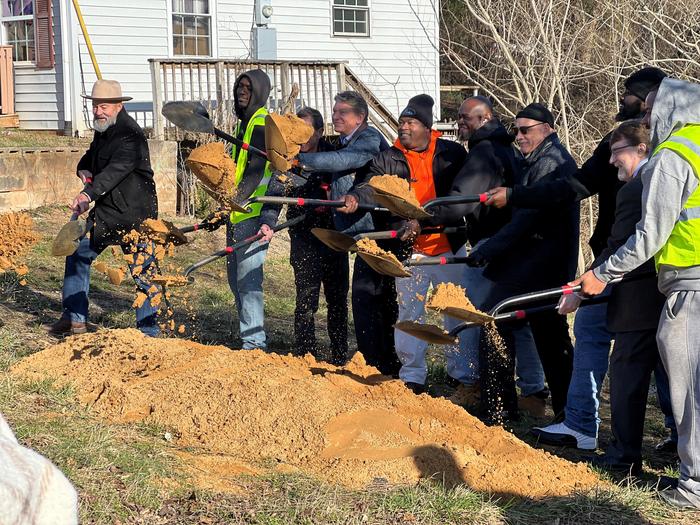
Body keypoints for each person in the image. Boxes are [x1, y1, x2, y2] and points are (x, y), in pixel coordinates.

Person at [491, 68, 668, 445]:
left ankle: (585, 426)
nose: (625, 99)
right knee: (652, 348)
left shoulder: (649, 147)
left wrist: (516, 196)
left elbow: (579, 188)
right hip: (631, 258)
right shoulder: (658, 141)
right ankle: (664, 430)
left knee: (612, 339)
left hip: (629, 259)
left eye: (632, 93)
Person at [574, 78, 700, 509]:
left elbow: (650, 235)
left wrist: (602, 274)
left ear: (671, 108)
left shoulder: (674, 154)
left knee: (688, 390)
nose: (646, 119)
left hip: (689, 283)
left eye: (650, 110)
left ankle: (693, 487)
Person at [344, 94, 467, 393]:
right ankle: (412, 375)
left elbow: (461, 196)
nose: (404, 128)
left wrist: (424, 221)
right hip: (411, 251)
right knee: (410, 312)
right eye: (401, 122)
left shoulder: (451, 154)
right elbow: (370, 185)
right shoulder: (389, 157)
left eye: (411, 122)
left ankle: (460, 373)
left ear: (427, 127)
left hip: (449, 246)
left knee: (455, 311)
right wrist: (356, 197)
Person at [467, 103, 579, 423]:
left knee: (502, 320)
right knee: (544, 334)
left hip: (545, 263)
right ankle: (562, 413)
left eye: (525, 130)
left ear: (548, 129)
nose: (519, 136)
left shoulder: (553, 162)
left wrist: (489, 250)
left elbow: (527, 218)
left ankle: (503, 410)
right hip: (534, 261)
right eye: (516, 130)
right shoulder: (535, 160)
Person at [49, 80, 159, 337]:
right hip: (108, 211)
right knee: (77, 254)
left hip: (135, 214)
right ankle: (75, 319)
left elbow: (115, 171)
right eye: (96, 105)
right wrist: (82, 168)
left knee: (143, 270)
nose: (98, 111)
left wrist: (88, 194)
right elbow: (91, 156)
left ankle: (149, 332)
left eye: (104, 106)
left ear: (119, 106)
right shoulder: (103, 129)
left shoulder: (131, 135)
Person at [297, 91, 394, 374]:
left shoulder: (369, 140)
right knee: (363, 300)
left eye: (342, 113)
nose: (335, 116)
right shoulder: (343, 140)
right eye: (335, 111)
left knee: (372, 300)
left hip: (373, 233)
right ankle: (369, 359)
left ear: (359, 117)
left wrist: (303, 159)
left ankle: (378, 363)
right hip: (351, 233)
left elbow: (344, 161)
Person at [258, 107, 349, 364]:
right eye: (295, 131)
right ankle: (305, 355)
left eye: (307, 131)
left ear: (320, 132)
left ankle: (340, 356)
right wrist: (267, 223)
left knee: (338, 303)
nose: (301, 137)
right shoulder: (289, 161)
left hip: (334, 239)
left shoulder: (336, 158)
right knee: (306, 302)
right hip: (304, 239)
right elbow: (273, 198)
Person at [225, 69, 273, 350]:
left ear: (259, 91)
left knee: (248, 281)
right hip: (236, 214)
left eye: (247, 88)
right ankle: (248, 337)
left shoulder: (260, 123)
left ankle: (255, 343)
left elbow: (254, 173)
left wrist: (234, 199)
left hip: (253, 215)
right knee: (236, 281)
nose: (242, 92)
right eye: (239, 87)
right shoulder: (241, 125)